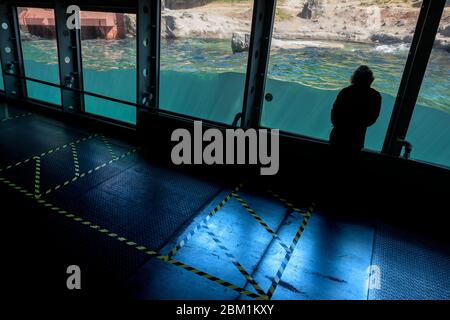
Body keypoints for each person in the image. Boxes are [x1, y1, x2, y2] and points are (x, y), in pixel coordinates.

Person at [329, 66, 382, 154]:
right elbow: (372, 118)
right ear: (371, 80)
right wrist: (358, 125)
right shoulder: (375, 95)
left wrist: (340, 125)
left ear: (354, 78)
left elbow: (334, 112)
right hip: (357, 137)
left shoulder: (346, 91)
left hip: (338, 135)